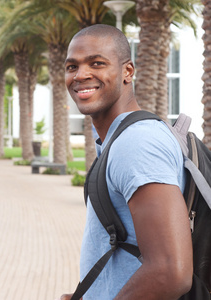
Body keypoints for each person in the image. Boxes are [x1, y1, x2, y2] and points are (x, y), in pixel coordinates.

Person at [58, 24, 193, 300]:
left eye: (97, 63)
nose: (81, 75)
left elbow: (171, 272)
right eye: (72, 67)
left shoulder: (136, 142)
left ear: (127, 72)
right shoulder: (119, 139)